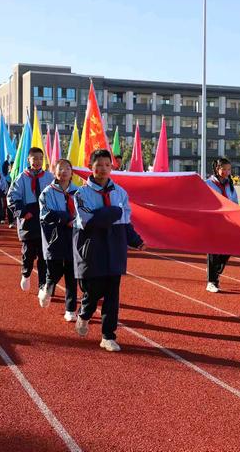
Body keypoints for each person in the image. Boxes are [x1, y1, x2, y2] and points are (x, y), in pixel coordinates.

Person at [73, 149, 145, 352]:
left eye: (107, 165)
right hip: (92, 247)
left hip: (115, 247)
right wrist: (113, 211)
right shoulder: (81, 193)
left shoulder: (120, 193)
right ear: (90, 167)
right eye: (99, 165)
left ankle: (108, 335)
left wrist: (136, 240)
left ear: (112, 167)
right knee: (93, 291)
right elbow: (89, 221)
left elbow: (125, 222)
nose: (103, 169)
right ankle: (84, 314)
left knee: (113, 294)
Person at [7, 147, 54, 294]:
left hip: (45, 222)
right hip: (28, 221)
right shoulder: (22, 178)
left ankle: (42, 286)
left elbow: (59, 192)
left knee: (44, 255)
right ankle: (26, 273)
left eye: (41, 158)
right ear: (29, 159)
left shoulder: (50, 177)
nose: (38, 161)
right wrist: (23, 212)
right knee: (28, 254)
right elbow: (11, 197)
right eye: (35, 158)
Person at [38, 159, 78, 321]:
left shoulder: (79, 192)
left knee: (72, 274)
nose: (64, 171)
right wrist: (64, 218)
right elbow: (45, 214)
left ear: (72, 172)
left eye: (67, 168)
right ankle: (47, 287)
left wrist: (76, 221)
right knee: (53, 271)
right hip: (54, 237)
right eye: (60, 169)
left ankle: (70, 309)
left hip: (73, 237)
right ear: (55, 172)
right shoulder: (47, 192)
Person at [205, 157, 239, 293]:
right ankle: (212, 282)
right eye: (223, 169)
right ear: (217, 169)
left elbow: (234, 201)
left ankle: (215, 269)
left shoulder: (230, 185)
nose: (226, 172)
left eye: (229, 169)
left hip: (228, 220)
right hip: (213, 220)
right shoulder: (208, 183)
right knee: (213, 250)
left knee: (229, 247)